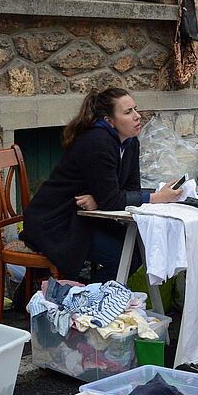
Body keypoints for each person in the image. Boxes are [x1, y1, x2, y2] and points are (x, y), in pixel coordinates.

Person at [22, 87, 183, 281]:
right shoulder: (97, 141)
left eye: (135, 109)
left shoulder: (130, 142)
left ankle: (88, 292)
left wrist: (100, 200)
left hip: (86, 217)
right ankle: (84, 297)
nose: (137, 116)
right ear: (109, 121)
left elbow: (129, 190)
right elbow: (113, 198)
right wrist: (156, 198)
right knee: (125, 257)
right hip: (56, 221)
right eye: (128, 112)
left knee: (141, 247)